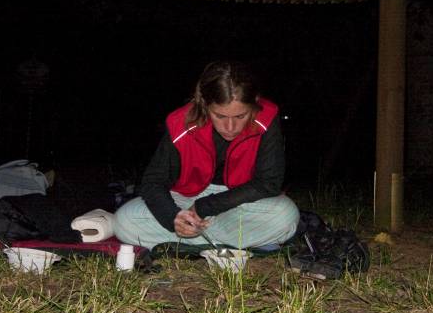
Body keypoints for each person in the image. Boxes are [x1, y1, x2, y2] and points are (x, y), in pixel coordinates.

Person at [114, 61, 299, 250]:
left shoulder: (266, 118)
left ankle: (191, 241)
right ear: (204, 103)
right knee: (124, 221)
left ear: (254, 104)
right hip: (186, 199)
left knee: (286, 215)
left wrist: (203, 208)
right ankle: (228, 240)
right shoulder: (180, 122)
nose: (230, 128)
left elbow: (268, 183)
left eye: (240, 116)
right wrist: (174, 217)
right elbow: (153, 180)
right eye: (220, 116)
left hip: (240, 199)